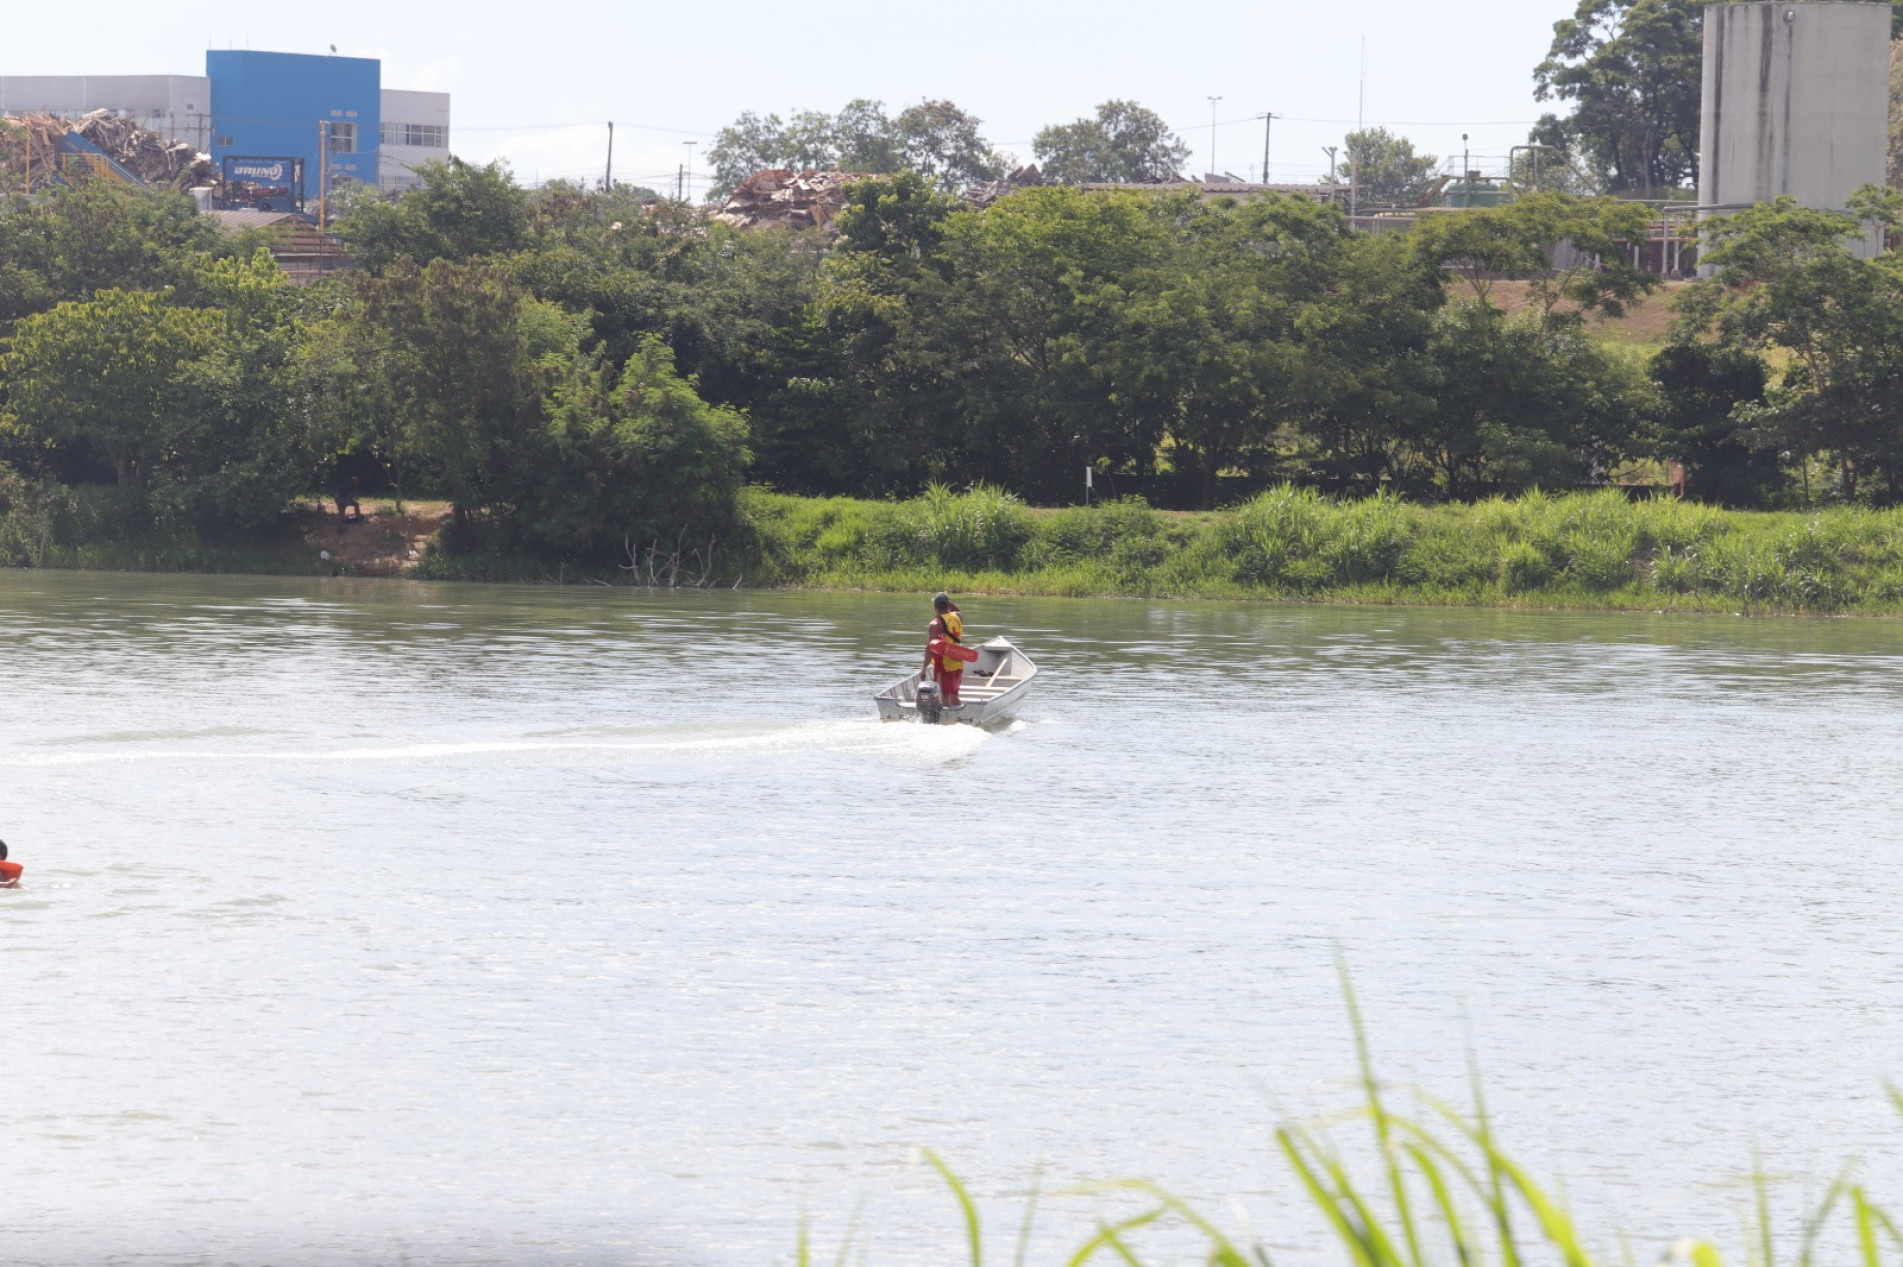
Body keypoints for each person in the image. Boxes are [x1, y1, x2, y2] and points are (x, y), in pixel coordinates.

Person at [923, 592, 975, 707]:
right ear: (948, 605)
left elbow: (930, 648)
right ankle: (958, 718)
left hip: (943, 666)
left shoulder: (935, 624)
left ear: (935, 607)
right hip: (958, 664)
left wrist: (923, 668)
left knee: (944, 699)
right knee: (954, 697)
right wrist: (948, 601)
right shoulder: (958, 617)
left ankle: (947, 723)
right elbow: (958, 610)